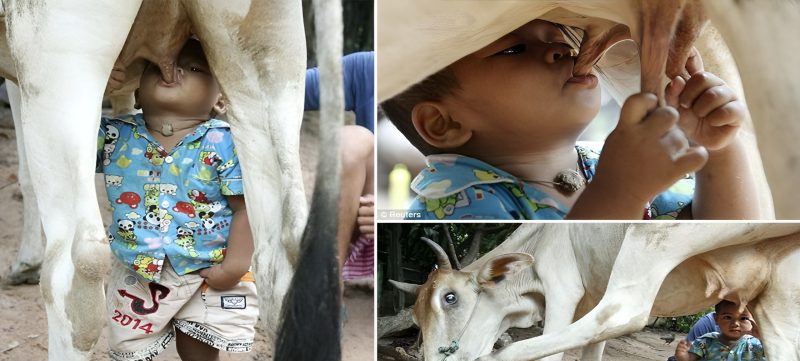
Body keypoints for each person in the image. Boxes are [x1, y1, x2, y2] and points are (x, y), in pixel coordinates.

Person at [381, 20, 762, 220]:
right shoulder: (458, 207)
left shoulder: (600, 162)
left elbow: (716, 227)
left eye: (560, 36)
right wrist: (623, 190)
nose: (561, 48)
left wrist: (716, 149)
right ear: (442, 123)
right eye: (513, 49)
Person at [89, 39, 257, 361]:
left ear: (220, 96)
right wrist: (96, 89)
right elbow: (67, 140)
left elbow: (244, 208)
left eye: (194, 68)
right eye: (156, 67)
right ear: (136, 86)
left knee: (200, 353)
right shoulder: (113, 135)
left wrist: (234, 266)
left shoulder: (224, 141)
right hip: (139, 269)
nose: (171, 70)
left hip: (207, 270)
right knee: (132, 348)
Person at [305, 51, 374, 284]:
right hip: (364, 214)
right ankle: (327, 286)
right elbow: (290, 87)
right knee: (352, 140)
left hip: (404, 215)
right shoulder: (369, 67)